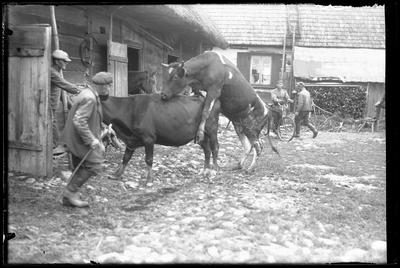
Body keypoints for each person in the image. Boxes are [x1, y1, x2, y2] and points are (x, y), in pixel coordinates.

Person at [60, 72, 112, 208]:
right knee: (94, 165)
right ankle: (70, 193)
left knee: (81, 166)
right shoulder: (90, 98)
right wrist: (92, 140)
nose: (109, 88)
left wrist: (102, 128)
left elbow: (90, 118)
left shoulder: (88, 93)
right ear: (102, 86)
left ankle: (69, 196)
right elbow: (79, 121)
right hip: (79, 139)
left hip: (76, 137)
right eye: (108, 85)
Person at [51, 49, 81, 155]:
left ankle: (55, 146)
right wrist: (80, 90)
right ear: (56, 61)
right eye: (64, 61)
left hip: (52, 105)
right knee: (51, 123)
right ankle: (54, 147)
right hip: (48, 105)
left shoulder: (56, 72)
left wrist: (70, 104)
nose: (66, 63)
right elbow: (64, 85)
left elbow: (59, 89)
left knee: (52, 123)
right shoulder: (52, 72)